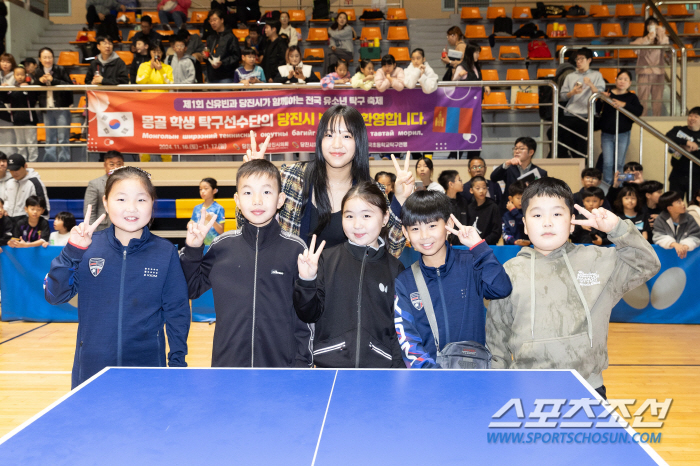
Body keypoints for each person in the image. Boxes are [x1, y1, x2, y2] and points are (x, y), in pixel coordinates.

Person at [486, 177, 660, 399]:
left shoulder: (600, 261)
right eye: (537, 215)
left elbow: (648, 264)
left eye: (557, 214)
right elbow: (496, 338)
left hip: (587, 387)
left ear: (571, 223)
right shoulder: (509, 271)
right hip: (525, 388)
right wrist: (496, 387)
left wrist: (617, 229)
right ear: (526, 225)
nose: (547, 222)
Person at [45, 166, 191, 389]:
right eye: (121, 199)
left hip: (148, 369)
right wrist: (72, 252)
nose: (131, 208)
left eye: (141, 200)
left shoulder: (165, 252)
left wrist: (177, 363)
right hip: (92, 369)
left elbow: (177, 312)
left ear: (153, 203)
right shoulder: (87, 248)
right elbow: (54, 295)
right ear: (105, 202)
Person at [180, 159, 312, 367]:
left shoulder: (296, 249)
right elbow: (190, 288)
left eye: (267, 192)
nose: (257, 201)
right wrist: (193, 250)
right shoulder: (222, 247)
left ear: (280, 200)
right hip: (228, 366)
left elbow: (306, 314)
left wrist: (302, 361)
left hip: (282, 367)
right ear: (237, 200)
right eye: (248, 193)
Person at [241, 105, 414, 258]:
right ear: (320, 140)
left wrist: (399, 200)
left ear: (358, 141)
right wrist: (254, 179)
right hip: (292, 289)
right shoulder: (291, 178)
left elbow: (391, 251)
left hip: (345, 291)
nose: (336, 144)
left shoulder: (372, 191)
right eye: (329, 135)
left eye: (346, 136)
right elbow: (245, 225)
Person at [394, 190, 512, 368]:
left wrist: (479, 247)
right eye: (415, 229)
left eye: (432, 226)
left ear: (448, 223)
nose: (424, 235)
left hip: (473, 371)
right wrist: (430, 374)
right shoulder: (405, 281)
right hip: (430, 378)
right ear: (406, 232)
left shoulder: (472, 263)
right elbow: (407, 337)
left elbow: (502, 288)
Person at [294, 182, 405, 368]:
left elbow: (398, 330)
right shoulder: (325, 259)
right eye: (349, 216)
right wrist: (306, 280)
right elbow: (307, 314)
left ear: (385, 217)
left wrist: (397, 371)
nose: (357, 225)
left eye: (367, 216)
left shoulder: (395, 269)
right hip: (327, 367)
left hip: (378, 371)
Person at [597, 70, 644, 185]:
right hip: (607, 134)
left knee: (619, 163)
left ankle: (620, 186)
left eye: (625, 79)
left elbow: (639, 111)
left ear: (629, 83)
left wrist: (624, 105)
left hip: (623, 133)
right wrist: (601, 99)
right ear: (616, 80)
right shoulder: (607, 93)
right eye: (620, 79)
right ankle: (608, 186)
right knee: (607, 163)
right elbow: (597, 110)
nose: (622, 82)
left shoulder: (631, 97)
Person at [559, 48, 605, 158]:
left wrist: (590, 84)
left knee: (582, 146)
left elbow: (600, 94)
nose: (578, 61)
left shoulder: (596, 75)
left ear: (589, 60)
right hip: (570, 114)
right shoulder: (570, 76)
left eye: (581, 59)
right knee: (566, 143)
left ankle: (583, 171)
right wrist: (572, 92)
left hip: (586, 115)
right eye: (577, 59)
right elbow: (562, 96)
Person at [490, 137, 548, 214]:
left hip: (530, 211)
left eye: (521, 149)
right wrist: (507, 163)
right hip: (508, 211)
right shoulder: (509, 168)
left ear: (531, 152)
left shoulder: (541, 173)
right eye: (516, 148)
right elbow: (493, 178)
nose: (517, 151)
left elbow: (543, 194)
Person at [35, 48, 73, 163]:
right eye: (45, 57)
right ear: (40, 59)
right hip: (47, 108)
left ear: (53, 58)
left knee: (63, 138)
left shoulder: (60, 69)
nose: (48, 60)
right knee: (49, 138)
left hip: (61, 108)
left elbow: (69, 85)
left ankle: (64, 161)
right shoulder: (37, 72)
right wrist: (38, 82)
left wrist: (54, 80)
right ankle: (49, 161)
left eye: (50, 57)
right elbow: (32, 88)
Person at [632, 17, 669, 116]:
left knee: (658, 98)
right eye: (649, 24)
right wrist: (648, 38)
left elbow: (665, 44)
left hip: (658, 72)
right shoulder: (641, 40)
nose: (651, 26)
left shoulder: (661, 38)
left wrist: (659, 31)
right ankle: (642, 118)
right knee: (642, 97)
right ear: (646, 27)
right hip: (644, 72)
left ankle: (657, 118)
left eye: (654, 24)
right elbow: (636, 50)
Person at [1, 67, 38, 163]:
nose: (20, 77)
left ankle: (33, 161)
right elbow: (5, 99)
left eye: (22, 74)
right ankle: (22, 161)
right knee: (20, 143)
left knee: (31, 142)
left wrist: (27, 88)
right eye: (17, 75)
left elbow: (33, 100)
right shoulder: (11, 88)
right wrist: (4, 89)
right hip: (17, 120)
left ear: (25, 75)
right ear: (14, 76)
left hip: (29, 120)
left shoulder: (30, 87)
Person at [666, 107, 700, 202]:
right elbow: (669, 137)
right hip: (677, 174)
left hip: (697, 176)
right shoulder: (678, 130)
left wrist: (692, 151)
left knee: (695, 205)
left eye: (696, 116)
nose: (692, 118)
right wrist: (686, 143)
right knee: (674, 203)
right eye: (690, 115)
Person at [652, 190, 700, 258]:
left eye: (682, 201)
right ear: (669, 208)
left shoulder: (689, 218)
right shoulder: (660, 219)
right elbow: (658, 237)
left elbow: (696, 236)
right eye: (679, 202)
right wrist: (674, 244)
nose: (683, 204)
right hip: (666, 257)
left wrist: (686, 246)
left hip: (686, 257)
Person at [84, 150, 123, 231]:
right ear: (105, 165)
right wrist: (92, 232)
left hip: (123, 227)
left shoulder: (129, 183)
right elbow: (90, 211)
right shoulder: (95, 184)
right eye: (111, 164)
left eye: (119, 164)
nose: (115, 167)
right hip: (102, 229)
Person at [4, 154, 49, 221]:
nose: (14, 173)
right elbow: (6, 200)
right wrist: (5, 209)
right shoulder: (9, 182)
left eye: (17, 169)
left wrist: (41, 224)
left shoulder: (35, 183)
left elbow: (44, 207)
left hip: (27, 222)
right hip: (9, 220)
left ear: (25, 166)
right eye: (11, 170)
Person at [206, 10, 241, 84]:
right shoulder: (210, 38)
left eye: (215, 20)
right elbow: (208, 56)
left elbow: (236, 56)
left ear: (222, 20)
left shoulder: (230, 37)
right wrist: (205, 56)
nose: (212, 23)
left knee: (225, 96)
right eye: (211, 21)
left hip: (226, 76)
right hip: (212, 76)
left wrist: (222, 62)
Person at [188, 177, 225, 246]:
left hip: (214, 245)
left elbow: (221, 231)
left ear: (214, 191)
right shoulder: (197, 208)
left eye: (206, 188)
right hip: (199, 244)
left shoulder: (219, 208)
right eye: (200, 189)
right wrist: (190, 225)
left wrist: (211, 220)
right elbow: (192, 222)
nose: (202, 191)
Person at [465, 175, 501, 245]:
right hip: (472, 246)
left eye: (484, 188)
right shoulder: (469, 208)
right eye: (478, 188)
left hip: (489, 246)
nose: (481, 191)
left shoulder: (493, 207)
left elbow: (497, 231)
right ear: (471, 190)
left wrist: (482, 243)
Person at [437, 170, 468, 243]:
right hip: (447, 244)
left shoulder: (464, 201)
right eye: (459, 180)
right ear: (451, 184)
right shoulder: (441, 203)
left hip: (464, 244)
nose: (462, 183)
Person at [502, 181, 530, 246]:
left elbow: (525, 224)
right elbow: (505, 234)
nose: (521, 201)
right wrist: (515, 242)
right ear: (510, 198)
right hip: (512, 248)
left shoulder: (528, 213)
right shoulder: (506, 216)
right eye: (518, 198)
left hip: (528, 247)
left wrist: (514, 211)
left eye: (523, 198)